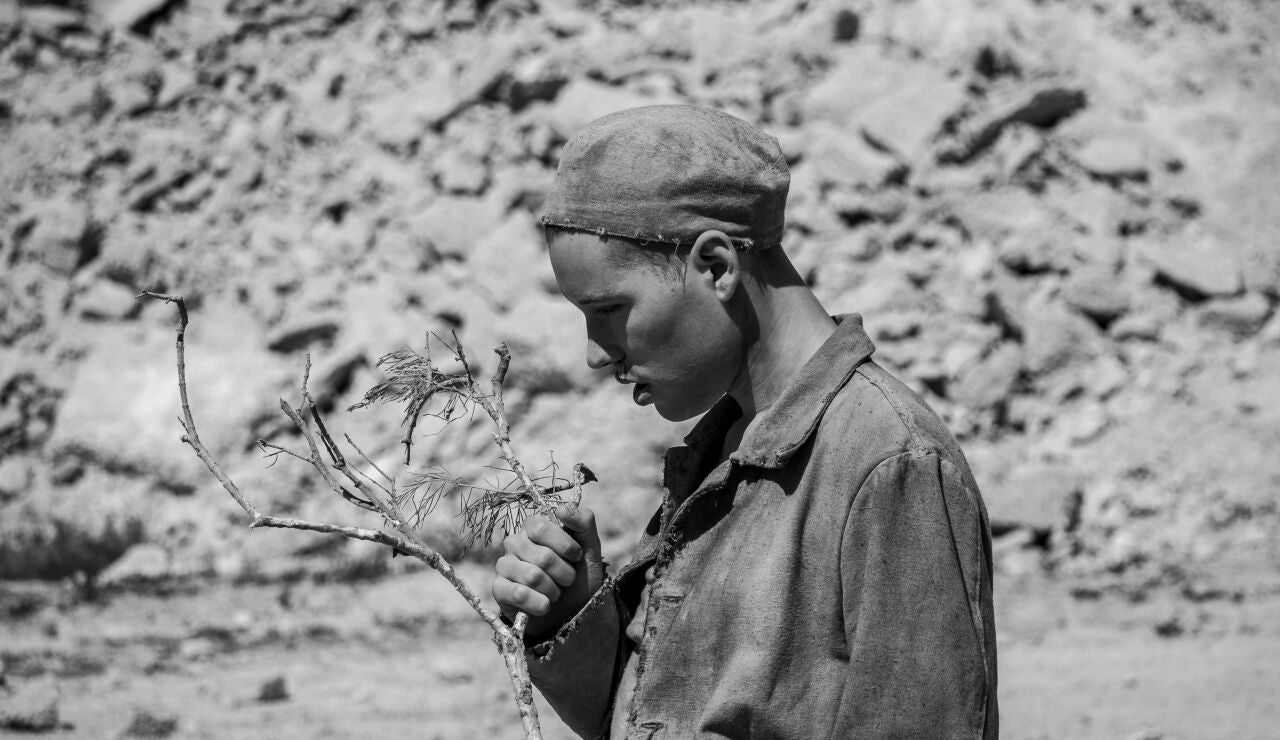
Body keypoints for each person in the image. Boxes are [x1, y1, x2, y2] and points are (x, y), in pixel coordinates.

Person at [491, 105, 999, 739]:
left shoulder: (890, 464)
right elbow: (656, 716)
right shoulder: (727, 447)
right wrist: (574, 616)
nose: (597, 352)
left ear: (717, 267)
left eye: (610, 309)